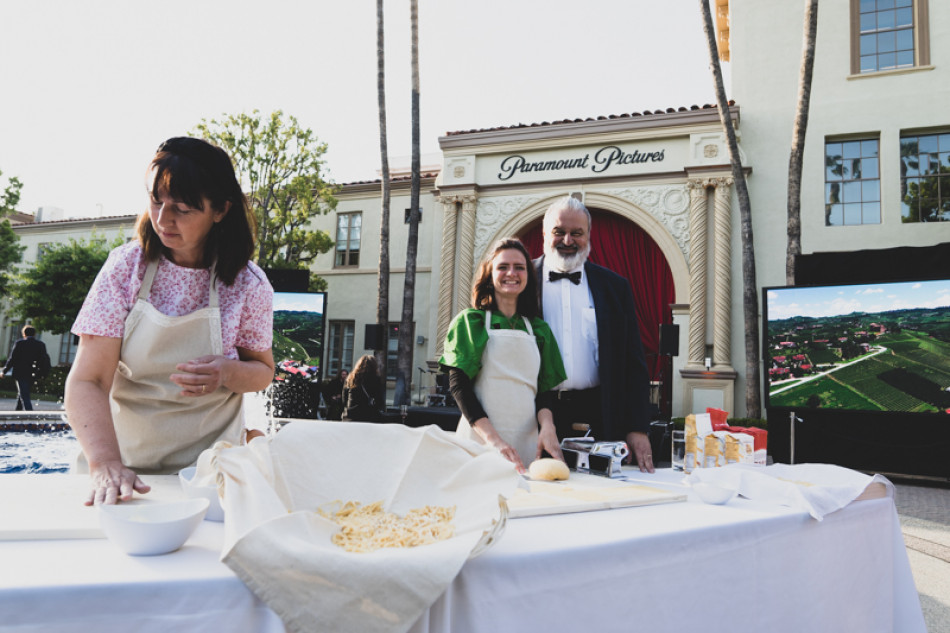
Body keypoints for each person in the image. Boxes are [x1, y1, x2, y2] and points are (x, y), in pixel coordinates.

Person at [65, 136, 275, 505]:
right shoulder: (125, 268)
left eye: (182, 208)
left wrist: (227, 372)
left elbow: (262, 371)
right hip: (122, 473)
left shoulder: (248, 284)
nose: (163, 219)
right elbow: (87, 380)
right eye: (156, 201)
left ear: (220, 210)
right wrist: (106, 464)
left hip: (209, 477)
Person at [534, 196, 655, 473]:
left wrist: (637, 427)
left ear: (589, 236)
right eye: (558, 232)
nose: (567, 240)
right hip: (537, 415)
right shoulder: (521, 282)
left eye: (577, 233)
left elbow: (633, 364)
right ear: (544, 234)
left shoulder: (615, 287)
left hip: (600, 414)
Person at [440, 238, 566, 473]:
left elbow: (544, 392)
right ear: (489, 274)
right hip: (480, 441)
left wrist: (548, 427)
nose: (512, 273)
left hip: (527, 444)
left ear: (528, 275)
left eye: (520, 267)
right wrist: (495, 442)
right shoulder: (470, 322)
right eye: (503, 267)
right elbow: (460, 388)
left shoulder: (540, 329)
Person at [3, 325, 51, 411]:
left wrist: (4, 371)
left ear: (24, 334)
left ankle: (30, 414)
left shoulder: (19, 343)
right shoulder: (40, 345)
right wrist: (43, 373)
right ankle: (17, 412)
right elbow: (44, 359)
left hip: (20, 372)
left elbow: (12, 359)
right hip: (33, 373)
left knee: (24, 394)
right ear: (35, 334)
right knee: (23, 392)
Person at [342, 356, 384, 422]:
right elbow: (380, 401)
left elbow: (344, 400)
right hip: (368, 416)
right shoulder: (375, 379)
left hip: (351, 416)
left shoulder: (351, 378)